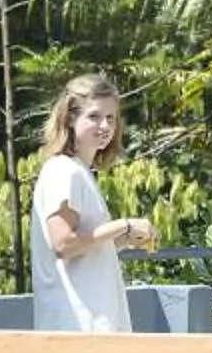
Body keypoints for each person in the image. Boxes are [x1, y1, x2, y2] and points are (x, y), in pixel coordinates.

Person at [30, 72, 154, 334]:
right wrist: (123, 225)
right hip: (77, 328)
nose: (105, 126)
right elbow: (63, 244)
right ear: (70, 117)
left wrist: (122, 239)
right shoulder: (64, 171)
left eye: (111, 118)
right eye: (94, 116)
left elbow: (84, 248)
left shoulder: (80, 172)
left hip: (91, 329)